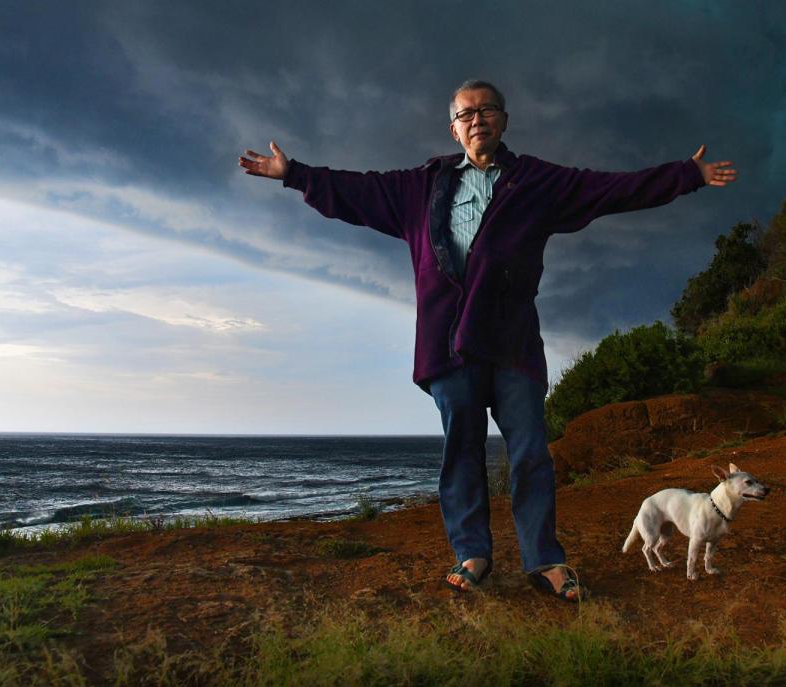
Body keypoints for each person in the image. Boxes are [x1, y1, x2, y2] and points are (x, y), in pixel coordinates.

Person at [239, 79, 737, 602]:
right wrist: (292, 174)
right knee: (463, 451)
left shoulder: (537, 182)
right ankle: (472, 553)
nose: (477, 119)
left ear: (503, 120)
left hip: (512, 342)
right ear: (453, 128)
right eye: (466, 113)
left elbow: (608, 189)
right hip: (448, 343)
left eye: (487, 110)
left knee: (530, 455)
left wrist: (687, 176)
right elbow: (357, 191)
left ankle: (544, 559)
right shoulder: (421, 186)